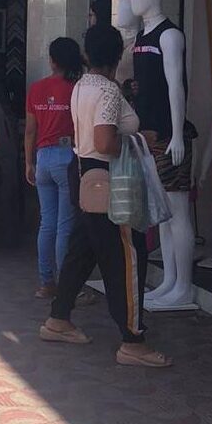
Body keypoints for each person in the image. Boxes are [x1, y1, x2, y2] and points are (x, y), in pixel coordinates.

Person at [40, 24, 172, 368]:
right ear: (119, 56)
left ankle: (59, 317)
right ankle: (133, 340)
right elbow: (105, 143)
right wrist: (141, 138)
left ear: (87, 54)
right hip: (113, 181)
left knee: (83, 251)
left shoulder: (82, 86)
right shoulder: (108, 92)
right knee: (127, 259)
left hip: (87, 177)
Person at [25, 37, 82, 299]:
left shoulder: (37, 89)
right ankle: (68, 288)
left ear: (52, 60)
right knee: (65, 226)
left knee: (46, 224)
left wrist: (29, 162)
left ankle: (46, 282)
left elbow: (30, 131)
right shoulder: (76, 88)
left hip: (43, 159)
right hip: (67, 158)